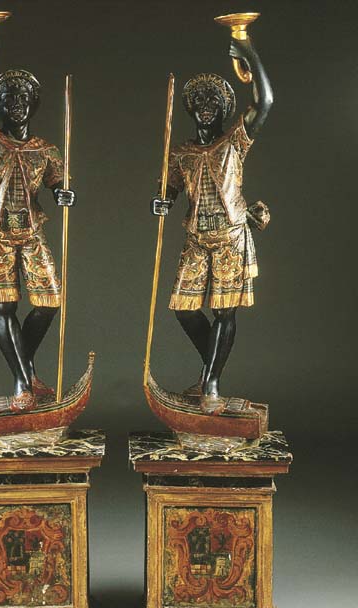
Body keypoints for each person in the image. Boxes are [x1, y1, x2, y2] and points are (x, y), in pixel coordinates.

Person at [0, 36, 75, 412]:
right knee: (4, 308)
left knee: (49, 302)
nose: (16, 103)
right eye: (8, 98)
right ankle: (23, 382)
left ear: (32, 103)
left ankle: (24, 365)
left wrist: (64, 194)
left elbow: (58, 184)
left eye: (23, 97)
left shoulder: (46, 150)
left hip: (31, 231)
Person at [151, 36, 273, 415]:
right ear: (190, 108)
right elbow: (169, 190)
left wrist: (248, 52)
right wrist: (161, 200)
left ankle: (211, 384)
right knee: (184, 309)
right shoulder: (182, 153)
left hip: (231, 237)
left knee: (224, 312)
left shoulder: (235, 141)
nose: (206, 106)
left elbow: (265, 102)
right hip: (196, 238)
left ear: (223, 109)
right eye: (199, 101)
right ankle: (211, 371)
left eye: (213, 101)